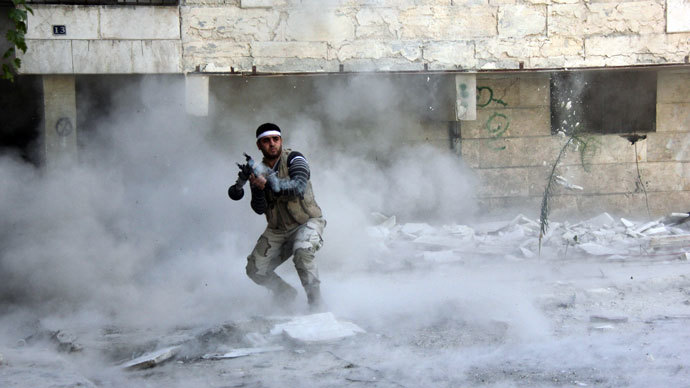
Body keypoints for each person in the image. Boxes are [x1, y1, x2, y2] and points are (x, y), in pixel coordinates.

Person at [236, 123, 326, 311]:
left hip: (306, 222)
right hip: (278, 229)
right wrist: (259, 188)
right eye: (266, 141)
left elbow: (299, 185)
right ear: (259, 145)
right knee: (254, 270)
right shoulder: (258, 170)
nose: (272, 144)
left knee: (302, 253)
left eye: (275, 139)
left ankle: (316, 305)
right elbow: (259, 208)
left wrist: (270, 183)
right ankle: (284, 293)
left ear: (281, 141)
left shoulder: (295, 158)